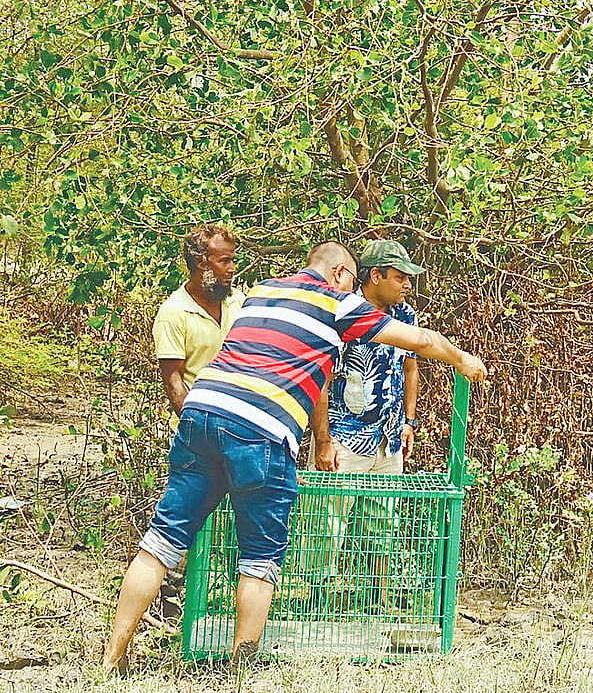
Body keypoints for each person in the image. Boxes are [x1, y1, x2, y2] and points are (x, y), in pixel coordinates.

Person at [100, 241, 487, 673]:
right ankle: (240, 671)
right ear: (341, 273)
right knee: (259, 560)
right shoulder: (339, 304)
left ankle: (111, 659)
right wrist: (463, 359)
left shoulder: (261, 291)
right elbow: (420, 339)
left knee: (160, 544)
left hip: (201, 412)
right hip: (260, 429)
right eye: (352, 280)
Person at [310, 239, 426, 474]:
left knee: (383, 512)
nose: (407, 285)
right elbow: (320, 381)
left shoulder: (405, 315)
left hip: (389, 444)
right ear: (375, 276)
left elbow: (410, 369)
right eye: (400, 278)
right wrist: (323, 443)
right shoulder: (342, 311)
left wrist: (409, 423)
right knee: (326, 512)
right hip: (343, 441)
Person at [152, 225, 244, 426]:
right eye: (224, 261)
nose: (232, 268)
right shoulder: (174, 312)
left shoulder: (238, 301)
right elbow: (173, 380)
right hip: (199, 429)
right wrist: (195, 428)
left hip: (239, 425)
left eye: (233, 260)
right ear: (201, 263)